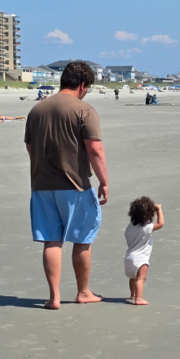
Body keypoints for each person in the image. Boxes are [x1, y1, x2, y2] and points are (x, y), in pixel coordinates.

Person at [23, 60, 108, 310]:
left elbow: (30, 147)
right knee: (82, 239)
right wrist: (104, 181)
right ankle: (83, 292)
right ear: (83, 85)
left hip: (41, 184)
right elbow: (95, 149)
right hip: (75, 185)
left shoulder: (37, 110)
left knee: (52, 240)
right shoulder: (84, 110)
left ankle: (54, 297)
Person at [124, 196, 165, 306]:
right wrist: (159, 210)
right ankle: (138, 298)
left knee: (133, 278)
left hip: (128, 258)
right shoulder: (147, 228)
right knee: (141, 279)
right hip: (140, 258)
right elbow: (160, 224)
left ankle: (133, 294)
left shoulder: (130, 227)